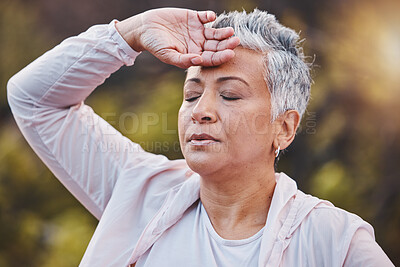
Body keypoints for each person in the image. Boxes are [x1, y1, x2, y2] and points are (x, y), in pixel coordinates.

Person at [7, 7, 394, 267]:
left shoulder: (336, 242)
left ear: (285, 127)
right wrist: (130, 34)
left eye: (229, 95)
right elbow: (34, 99)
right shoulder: (139, 190)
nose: (200, 110)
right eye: (191, 94)